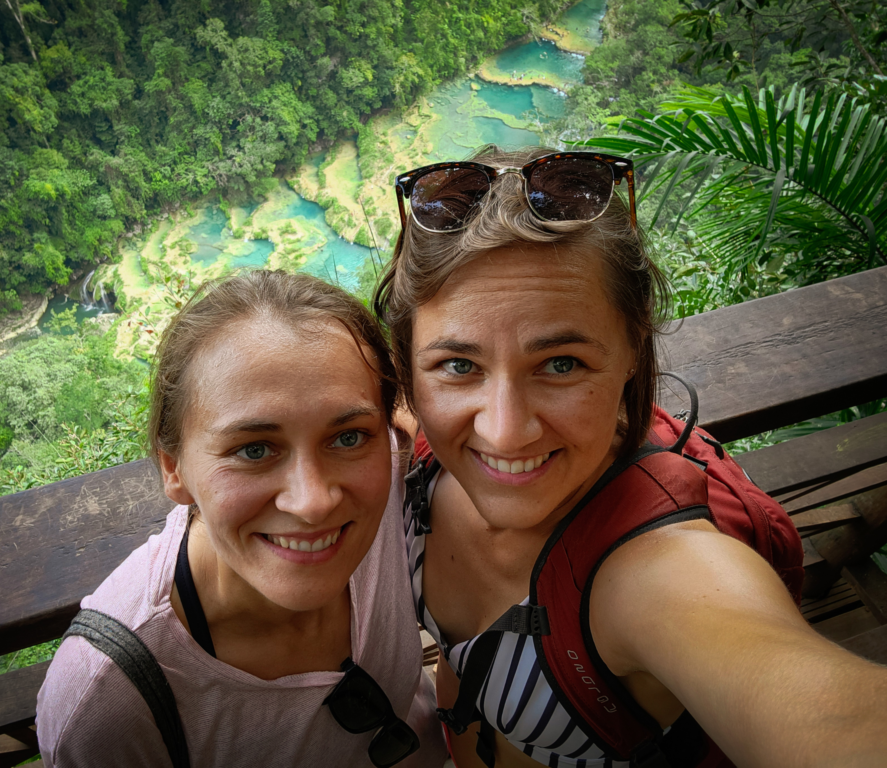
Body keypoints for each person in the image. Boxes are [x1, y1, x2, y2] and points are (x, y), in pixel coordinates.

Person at [373, 146, 887, 768]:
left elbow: (826, 714)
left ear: (632, 354)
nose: (505, 433)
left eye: (561, 364)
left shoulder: (663, 575)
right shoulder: (420, 442)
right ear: (408, 369)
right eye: (459, 365)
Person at [36, 270, 448, 768]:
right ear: (174, 468)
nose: (314, 502)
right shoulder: (106, 701)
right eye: (254, 449)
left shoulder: (387, 477)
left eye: (347, 437)